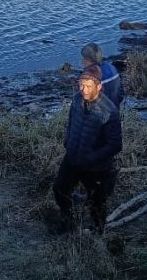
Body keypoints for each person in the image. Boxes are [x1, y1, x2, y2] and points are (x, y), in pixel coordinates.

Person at [51, 65, 122, 235]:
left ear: (98, 87)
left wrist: (92, 158)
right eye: (81, 85)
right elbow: (70, 123)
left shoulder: (109, 111)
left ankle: (98, 233)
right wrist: (67, 142)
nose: (83, 89)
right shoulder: (76, 100)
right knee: (59, 189)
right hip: (72, 158)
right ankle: (67, 220)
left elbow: (115, 145)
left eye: (88, 86)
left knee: (96, 202)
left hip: (95, 167)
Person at [81, 42, 124, 110]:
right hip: (115, 112)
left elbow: (84, 103)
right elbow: (121, 94)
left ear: (87, 59)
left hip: (99, 116)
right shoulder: (112, 67)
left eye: (83, 58)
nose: (82, 61)